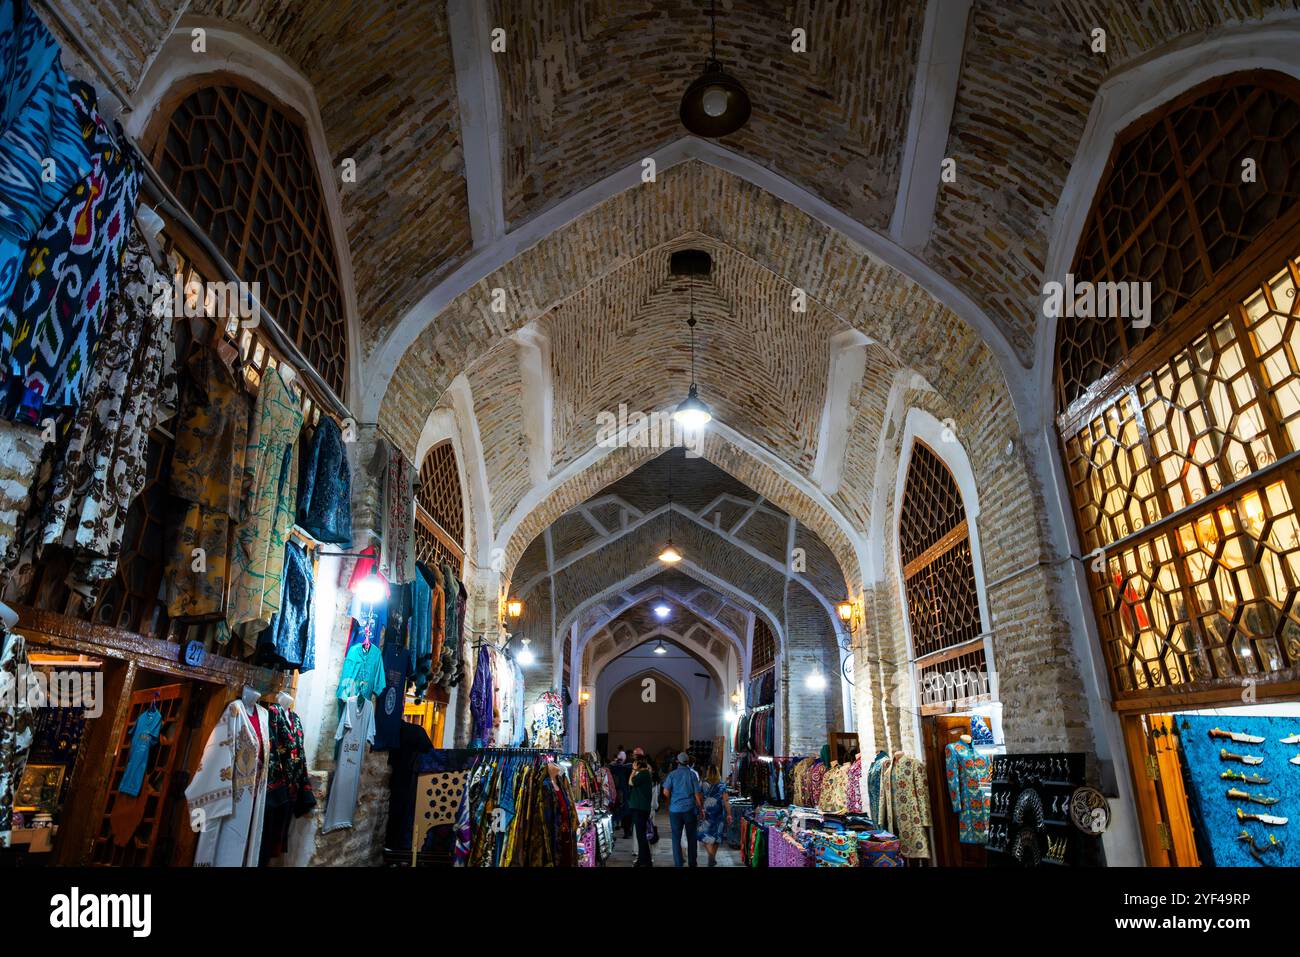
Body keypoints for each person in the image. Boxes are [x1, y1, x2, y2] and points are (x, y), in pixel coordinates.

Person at [661, 751, 703, 867]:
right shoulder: (692, 774)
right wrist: (701, 808)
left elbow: (665, 791)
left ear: (677, 762)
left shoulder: (672, 774)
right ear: (688, 762)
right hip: (690, 810)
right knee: (691, 838)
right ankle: (692, 863)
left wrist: (671, 802)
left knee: (676, 838)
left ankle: (678, 863)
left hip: (675, 811)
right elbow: (697, 795)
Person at [698, 767, 732, 867]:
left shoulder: (703, 784)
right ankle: (712, 857)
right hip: (719, 813)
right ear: (718, 773)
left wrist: (701, 809)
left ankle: (711, 856)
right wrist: (729, 814)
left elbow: (700, 798)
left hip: (707, 813)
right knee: (717, 836)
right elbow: (726, 801)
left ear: (708, 772)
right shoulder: (722, 785)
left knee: (704, 835)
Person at [627, 753, 655, 866]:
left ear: (638, 764)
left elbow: (630, 782)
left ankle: (644, 861)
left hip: (640, 809)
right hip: (641, 808)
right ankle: (644, 860)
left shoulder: (643, 774)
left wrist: (633, 771)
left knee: (641, 837)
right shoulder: (645, 774)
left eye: (634, 762)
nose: (633, 764)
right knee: (641, 836)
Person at [608, 749, 633, 839]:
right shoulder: (628, 767)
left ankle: (616, 832)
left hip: (617, 794)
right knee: (626, 814)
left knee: (618, 813)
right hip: (623, 794)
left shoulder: (614, 767)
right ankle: (627, 831)